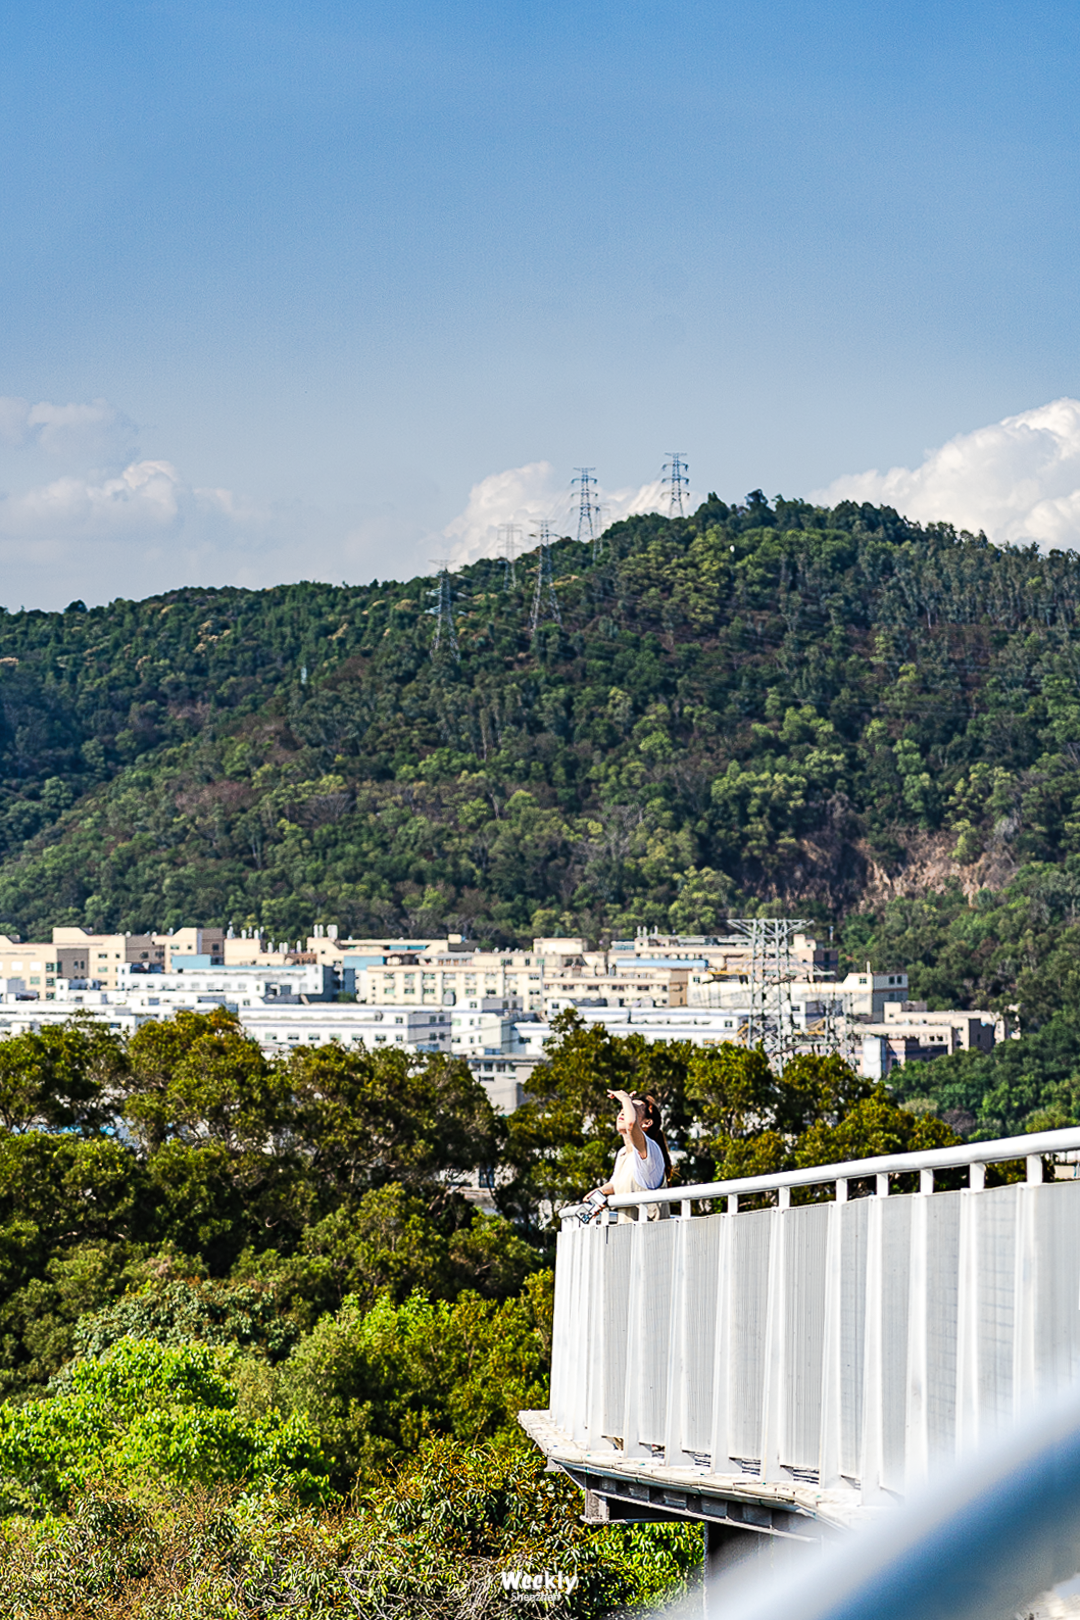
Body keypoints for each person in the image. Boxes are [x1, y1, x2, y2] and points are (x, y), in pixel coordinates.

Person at [587, 1088, 668, 1222]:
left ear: (647, 1123)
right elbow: (616, 1184)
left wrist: (625, 1098)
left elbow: (631, 1124)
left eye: (632, 1107)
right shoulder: (623, 1153)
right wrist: (600, 1191)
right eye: (624, 1106)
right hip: (629, 1236)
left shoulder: (651, 1149)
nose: (624, 1110)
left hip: (652, 1238)